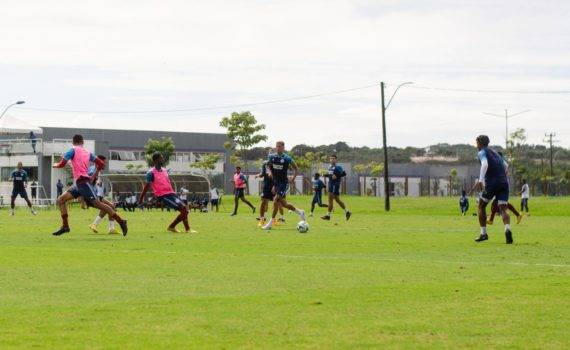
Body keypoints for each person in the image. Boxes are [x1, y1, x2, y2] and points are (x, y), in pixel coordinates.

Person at [52, 134, 128, 236]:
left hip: (83, 182)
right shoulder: (88, 153)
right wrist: (96, 172)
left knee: (98, 204)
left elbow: (61, 164)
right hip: (79, 184)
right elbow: (101, 164)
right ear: (82, 142)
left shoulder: (72, 150)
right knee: (61, 200)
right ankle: (65, 226)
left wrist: (55, 165)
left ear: (73, 142)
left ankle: (121, 221)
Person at [138, 152, 197, 233]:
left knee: (185, 210)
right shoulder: (150, 173)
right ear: (155, 160)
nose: (162, 159)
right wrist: (141, 199)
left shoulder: (165, 170)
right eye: (160, 158)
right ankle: (188, 229)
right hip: (163, 196)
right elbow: (146, 187)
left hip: (171, 194)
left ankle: (171, 227)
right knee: (183, 209)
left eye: (162, 157)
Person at [473, 135, 513, 244]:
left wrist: (480, 180)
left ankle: (483, 234)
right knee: (503, 208)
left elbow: (485, 164)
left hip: (492, 183)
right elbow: (506, 165)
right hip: (504, 182)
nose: (476, 145)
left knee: (481, 205)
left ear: (480, 143)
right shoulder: (495, 152)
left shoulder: (482, 152)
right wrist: (502, 176)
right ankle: (507, 229)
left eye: (477, 143)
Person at [262, 141, 306, 230]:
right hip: (276, 183)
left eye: (279, 146)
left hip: (284, 183)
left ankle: (270, 223)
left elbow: (296, 168)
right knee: (284, 204)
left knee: (275, 200)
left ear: (283, 147)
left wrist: (293, 179)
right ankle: (300, 212)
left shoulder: (287, 158)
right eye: (277, 146)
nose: (278, 148)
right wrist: (270, 173)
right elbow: (268, 167)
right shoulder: (272, 157)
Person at [86, 156, 119, 234]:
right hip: (94, 195)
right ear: (98, 162)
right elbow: (89, 179)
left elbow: (92, 179)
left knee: (110, 208)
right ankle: (98, 225)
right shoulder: (93, 169)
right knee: (110, 207)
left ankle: (110, 228)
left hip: (97, 194)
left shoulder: (95, 169)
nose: (104, 164)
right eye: (103, 162)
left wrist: (97, 182)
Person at [256, 152, 284, 227]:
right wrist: (259, 175)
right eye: (270, 156)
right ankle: (262, 220)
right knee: (264, 202)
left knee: (276, 203)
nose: (271, 158)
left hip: (275, 185)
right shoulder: (264, 164)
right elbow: (263, 173)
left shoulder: (277, 163)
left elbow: (279, 174)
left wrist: (275, 185)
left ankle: (273, 220)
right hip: (266, 185)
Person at [321, 154, 351, 221]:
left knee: (330, 200)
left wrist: (337, 176)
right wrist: (324, 175)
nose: (332, 159)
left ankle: (328, 216)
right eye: (331, 158)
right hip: (330, 184)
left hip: (335, 185)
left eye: (333, 158)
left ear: (336, 160)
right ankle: (347, 212)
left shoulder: (338, 167)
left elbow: (344, 174)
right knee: (337, 200)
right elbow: (330, 175)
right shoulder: (330, 167)